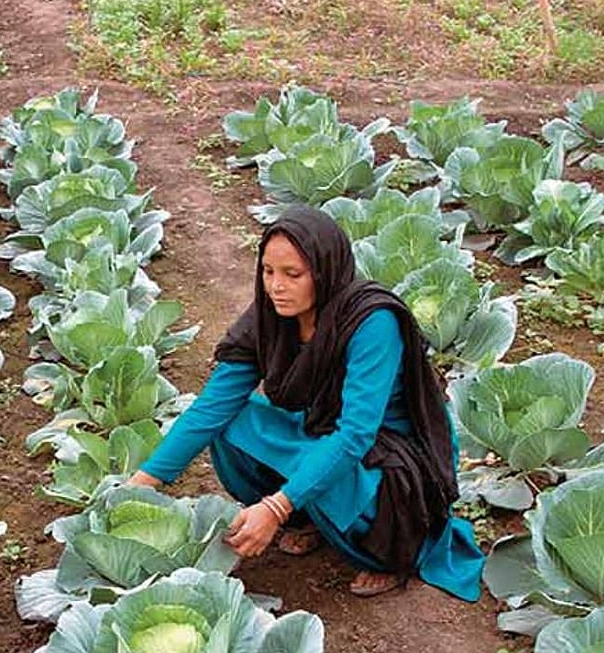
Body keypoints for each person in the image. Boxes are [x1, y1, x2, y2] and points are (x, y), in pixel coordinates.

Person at [127, 204, 484, 600]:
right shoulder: (271, 316)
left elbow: (355, 435)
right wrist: (143, 482)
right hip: (320, 433)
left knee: (336, 465)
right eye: (268, 272)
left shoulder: (371, 322)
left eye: (292, 275)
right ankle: (309, 515)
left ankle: (389, 553)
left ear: (325, 270)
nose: (276, 286)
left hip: (390, 462)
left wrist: (274, 508)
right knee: (230, 421)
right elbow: (213, 405)